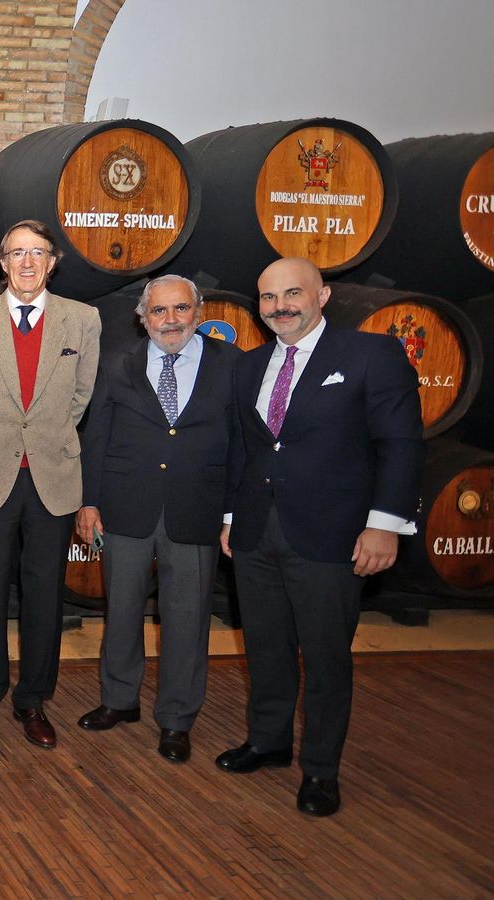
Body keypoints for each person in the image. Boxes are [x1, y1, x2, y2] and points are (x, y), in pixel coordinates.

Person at [217, 257, 423, 817]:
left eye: (292, 293)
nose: (280, 306)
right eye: (267, 297)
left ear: (322, 295)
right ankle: (269, 741)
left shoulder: (370, 355)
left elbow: (400, 444)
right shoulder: (249, 366)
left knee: (326, 657)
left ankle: (322, 771)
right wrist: (233, 517)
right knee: (265, 645)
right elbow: (246, 448)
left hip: (334, 534)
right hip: (258, 531)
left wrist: (385, 524)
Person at [0, 219, 100, 749]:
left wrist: (45, 437)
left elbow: (81, 398)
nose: (27, 263)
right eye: (16, 253)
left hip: (53, 477)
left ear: (52, 262)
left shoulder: (84, 320)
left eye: (37, 253)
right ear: (2, 263)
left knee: (44, 596)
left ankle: (33, 700)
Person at [75, 275, 239, 763]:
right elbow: (96, 438)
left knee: (187, 620)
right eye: (160, 311)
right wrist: (88, 502)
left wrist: (233, 512)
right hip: (125, 509)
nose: (171, 320)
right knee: (121, 611)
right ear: (142, 317)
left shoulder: (231, 364)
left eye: (181, 309)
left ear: (198, 311)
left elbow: (242, 445)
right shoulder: (117, 362)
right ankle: (119, 701)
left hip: (197, 509)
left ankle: (176, 719)